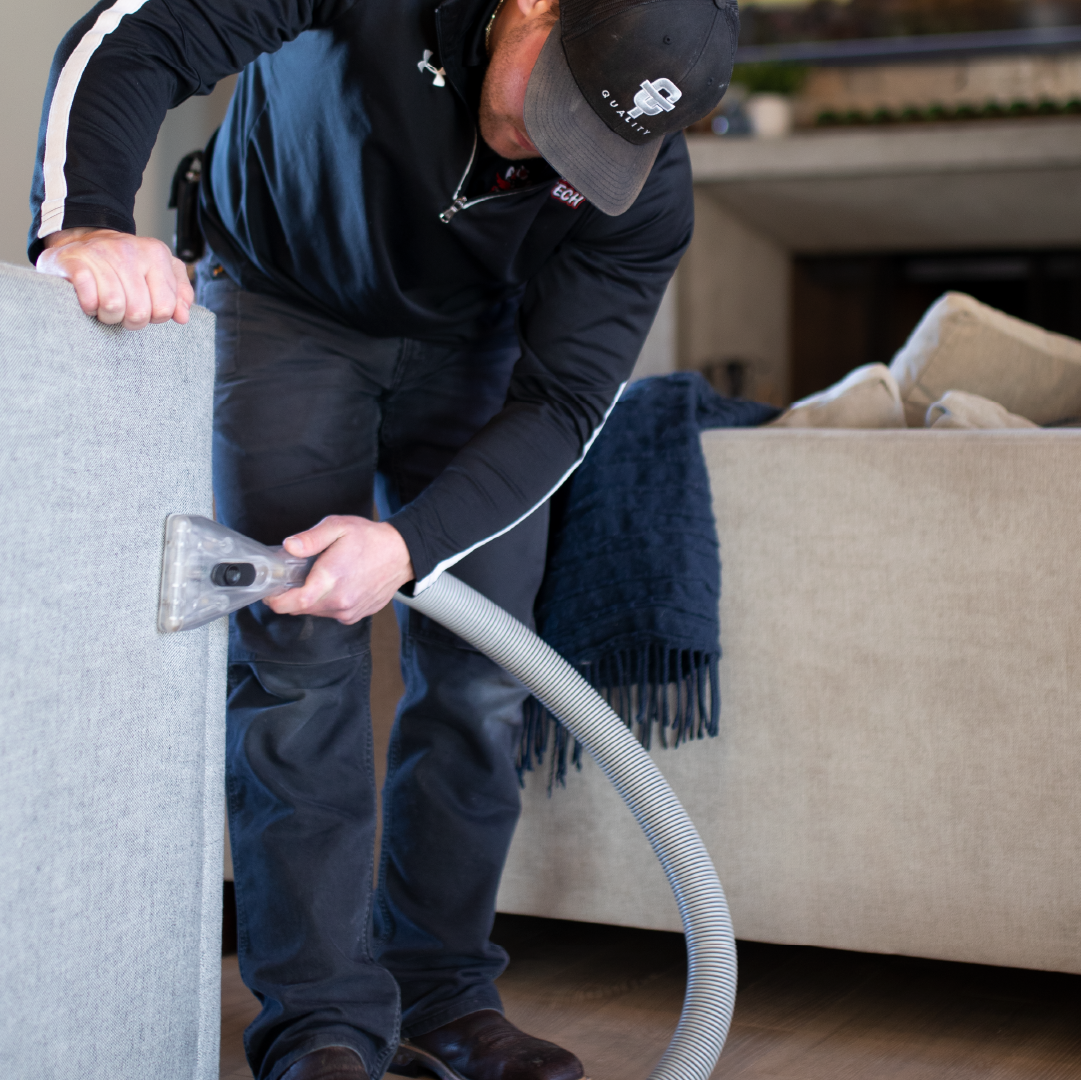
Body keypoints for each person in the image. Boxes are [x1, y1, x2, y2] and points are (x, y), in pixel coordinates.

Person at [30, 0, 738, 1076]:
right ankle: (319, 1023)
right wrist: (82, 216)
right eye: (552, 106)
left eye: (590, 139)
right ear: (528, 10)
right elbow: (134, 36)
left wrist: (406, 548)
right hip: (285, 297)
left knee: (484, 672)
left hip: (478, 350)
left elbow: (565, 403)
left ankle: (442, 996)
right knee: (298, 655)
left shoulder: (642, 198)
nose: (547, 149)